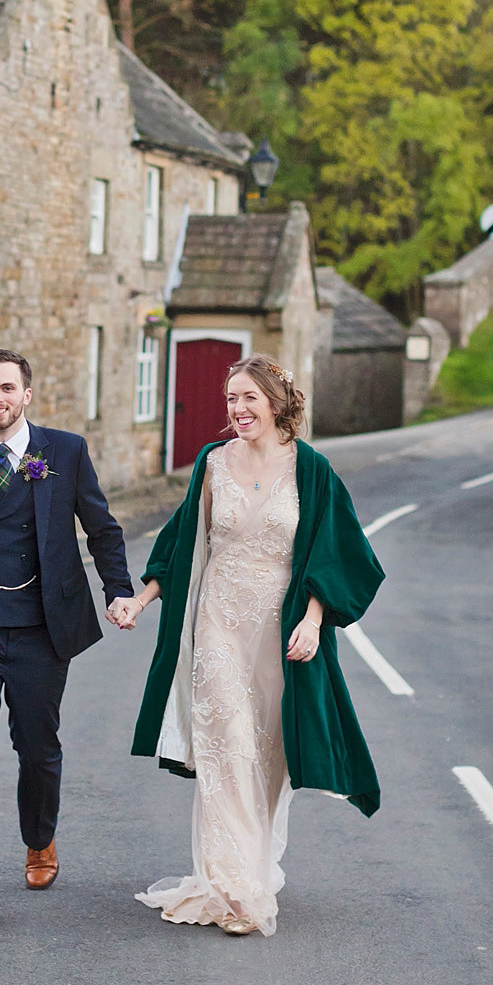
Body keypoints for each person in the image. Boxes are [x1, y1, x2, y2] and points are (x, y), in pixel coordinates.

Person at [109, 354, 384, 937]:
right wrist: (143, 596)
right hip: (217, 626)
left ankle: (249, 871)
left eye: (248, 399)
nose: (236, 410)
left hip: (279, 630)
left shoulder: (312, 470)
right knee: (226, 749)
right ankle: (234, 891)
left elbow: (336, 555)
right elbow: (183, 541)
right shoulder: (212, 464)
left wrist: (313, 620)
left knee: (267, 759)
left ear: (277, 403)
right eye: (230, 399)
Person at [0, 349, 134, 931]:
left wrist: (119, 591)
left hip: (41, 628)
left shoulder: (63, 451)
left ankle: (39, 838)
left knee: (36, 747)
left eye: (7, 388)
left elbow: (101, 527)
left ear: (27, 395)